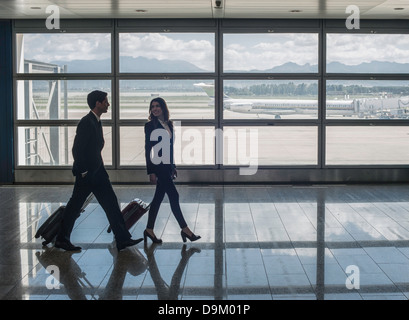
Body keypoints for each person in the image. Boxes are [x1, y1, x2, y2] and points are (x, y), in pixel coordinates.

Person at [55, 90, 143, 252]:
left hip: (98, 173)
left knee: (111, 204)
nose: (108, 104)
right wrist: (83, 172)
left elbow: (94, 150)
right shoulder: (86, 122)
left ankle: (123, 239)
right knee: (74, 207)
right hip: (87, 175)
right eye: (105, 101)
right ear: (97, 103)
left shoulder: (96, 121)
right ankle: (61, 239)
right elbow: (77, 150)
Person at [144, 97, 200, 244]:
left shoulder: (169, 124)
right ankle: (185, 229)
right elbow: (148, 149)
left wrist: (173, 166)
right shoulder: (150, 126)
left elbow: (170, 148)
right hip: (158, 166)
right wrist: (151, 171)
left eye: (157, 106)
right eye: (152, 107)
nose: (155, 109)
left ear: (163, 108)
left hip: (167, 167)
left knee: (157, 199)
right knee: (173, 195)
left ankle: (149, 230)